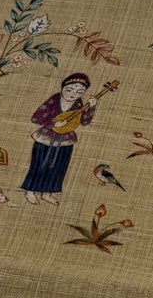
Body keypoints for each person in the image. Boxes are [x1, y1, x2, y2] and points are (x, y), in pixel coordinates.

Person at [20, 73, 96, 205]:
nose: (73, 94)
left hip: (65, 140)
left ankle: (47, 193)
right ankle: (30, 191)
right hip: (46, 138)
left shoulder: (78, 103)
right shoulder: (54, 100)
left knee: (58, 168)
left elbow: (84, 122)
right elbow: (36, 118)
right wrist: (53, 124)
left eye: (80, 92)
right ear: (62, 88)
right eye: (69, 90)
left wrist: (91, 107)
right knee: (39, 165)